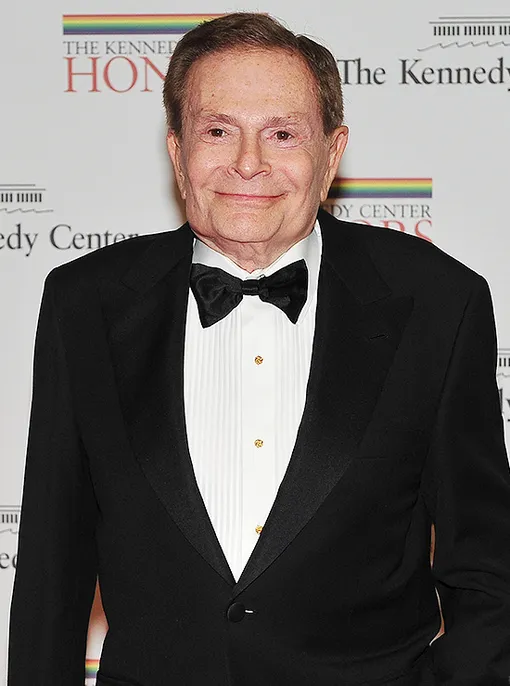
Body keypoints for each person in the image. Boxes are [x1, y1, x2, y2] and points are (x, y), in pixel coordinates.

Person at [8, 12, 510, 686]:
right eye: (218, 131)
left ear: (331, 155)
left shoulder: (439, 302)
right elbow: (51, 573)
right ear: (177, 151)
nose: (248, 163)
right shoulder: (85, 304)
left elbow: (490, 568)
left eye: (282, 134)